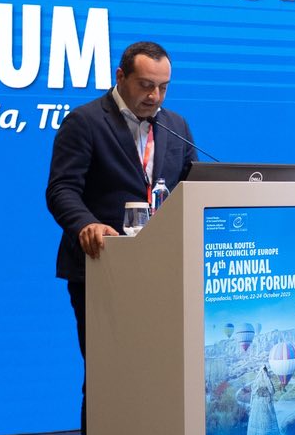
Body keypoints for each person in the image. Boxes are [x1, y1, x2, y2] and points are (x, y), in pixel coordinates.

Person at [45, 40, 198, 366]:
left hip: (163, 269)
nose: (155, 96)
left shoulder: (177, 126)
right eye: (145, 85)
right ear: (120, 77)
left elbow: (192, 188)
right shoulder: (85, 122)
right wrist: (86, 224)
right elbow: (62, 189)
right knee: (108, 374)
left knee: (159, 371)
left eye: (163, 87)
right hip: (102, 265)